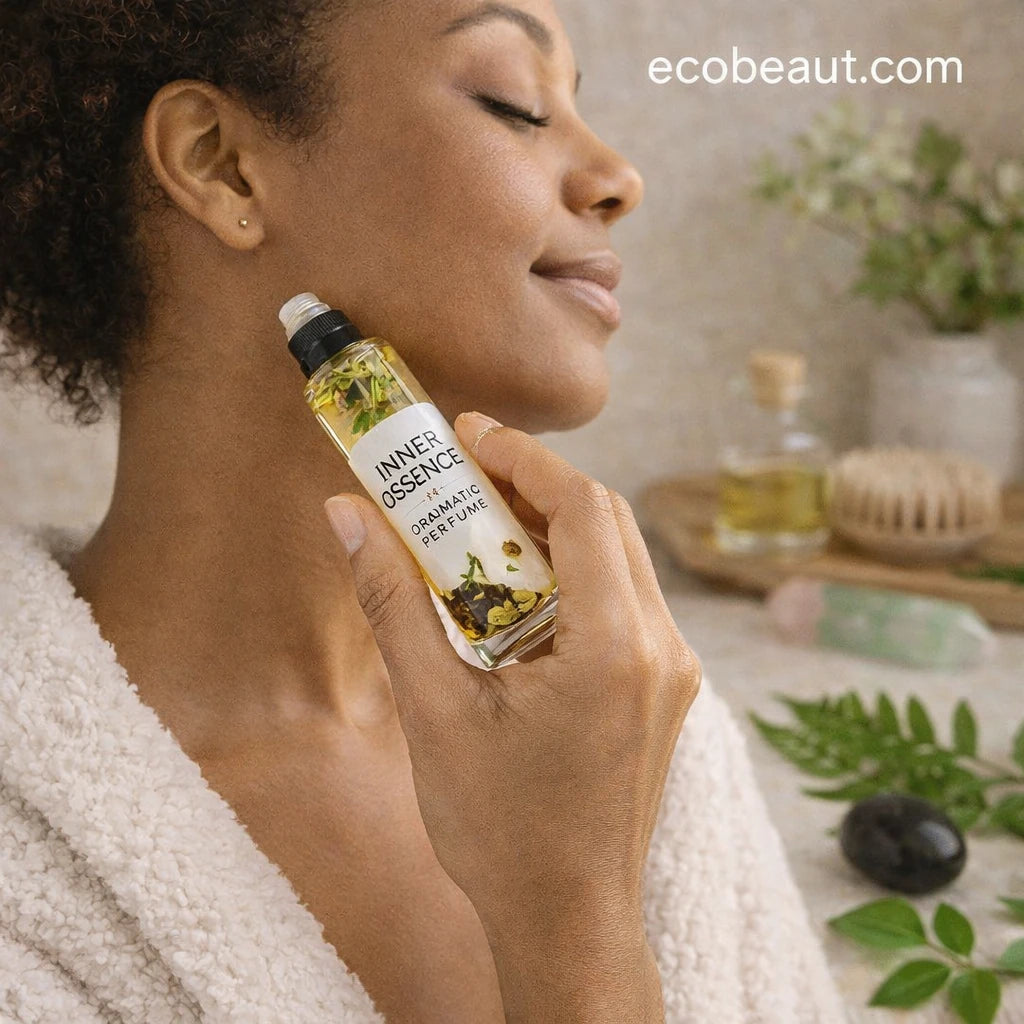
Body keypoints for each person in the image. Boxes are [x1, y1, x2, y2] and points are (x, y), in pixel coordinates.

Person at [0, 1, 845, 1021]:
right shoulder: (29, 869)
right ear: (223, 164)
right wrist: (572, 926)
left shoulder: (619, 716)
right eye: (515, 104)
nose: (619, 177)